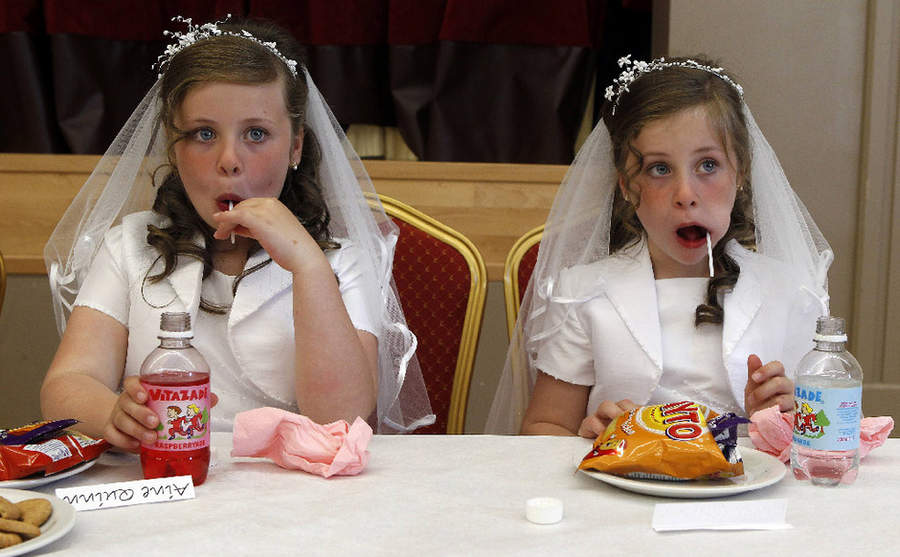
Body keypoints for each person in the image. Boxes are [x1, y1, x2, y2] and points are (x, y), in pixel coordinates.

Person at [41, 17, 433, 451]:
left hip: (291, 482)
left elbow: (339, 418)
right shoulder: (130, 246)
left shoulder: (340, 260)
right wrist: (112, 414)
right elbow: (68, 381)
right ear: (173, 146)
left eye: (256, 134)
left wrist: (308, 266)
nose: (229, 160)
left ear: (296, 146)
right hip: (168, 474)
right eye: (204, 134)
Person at [486, 55, 833, 436]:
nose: (685, 195)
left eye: (708, 165)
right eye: (660, 169)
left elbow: (826, 429)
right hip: (624, 474)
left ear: (741, 172)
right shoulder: (583, 293)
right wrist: (591, 438)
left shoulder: (789, 291)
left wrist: (785, 415)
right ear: (626, 185)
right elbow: (545, 426)